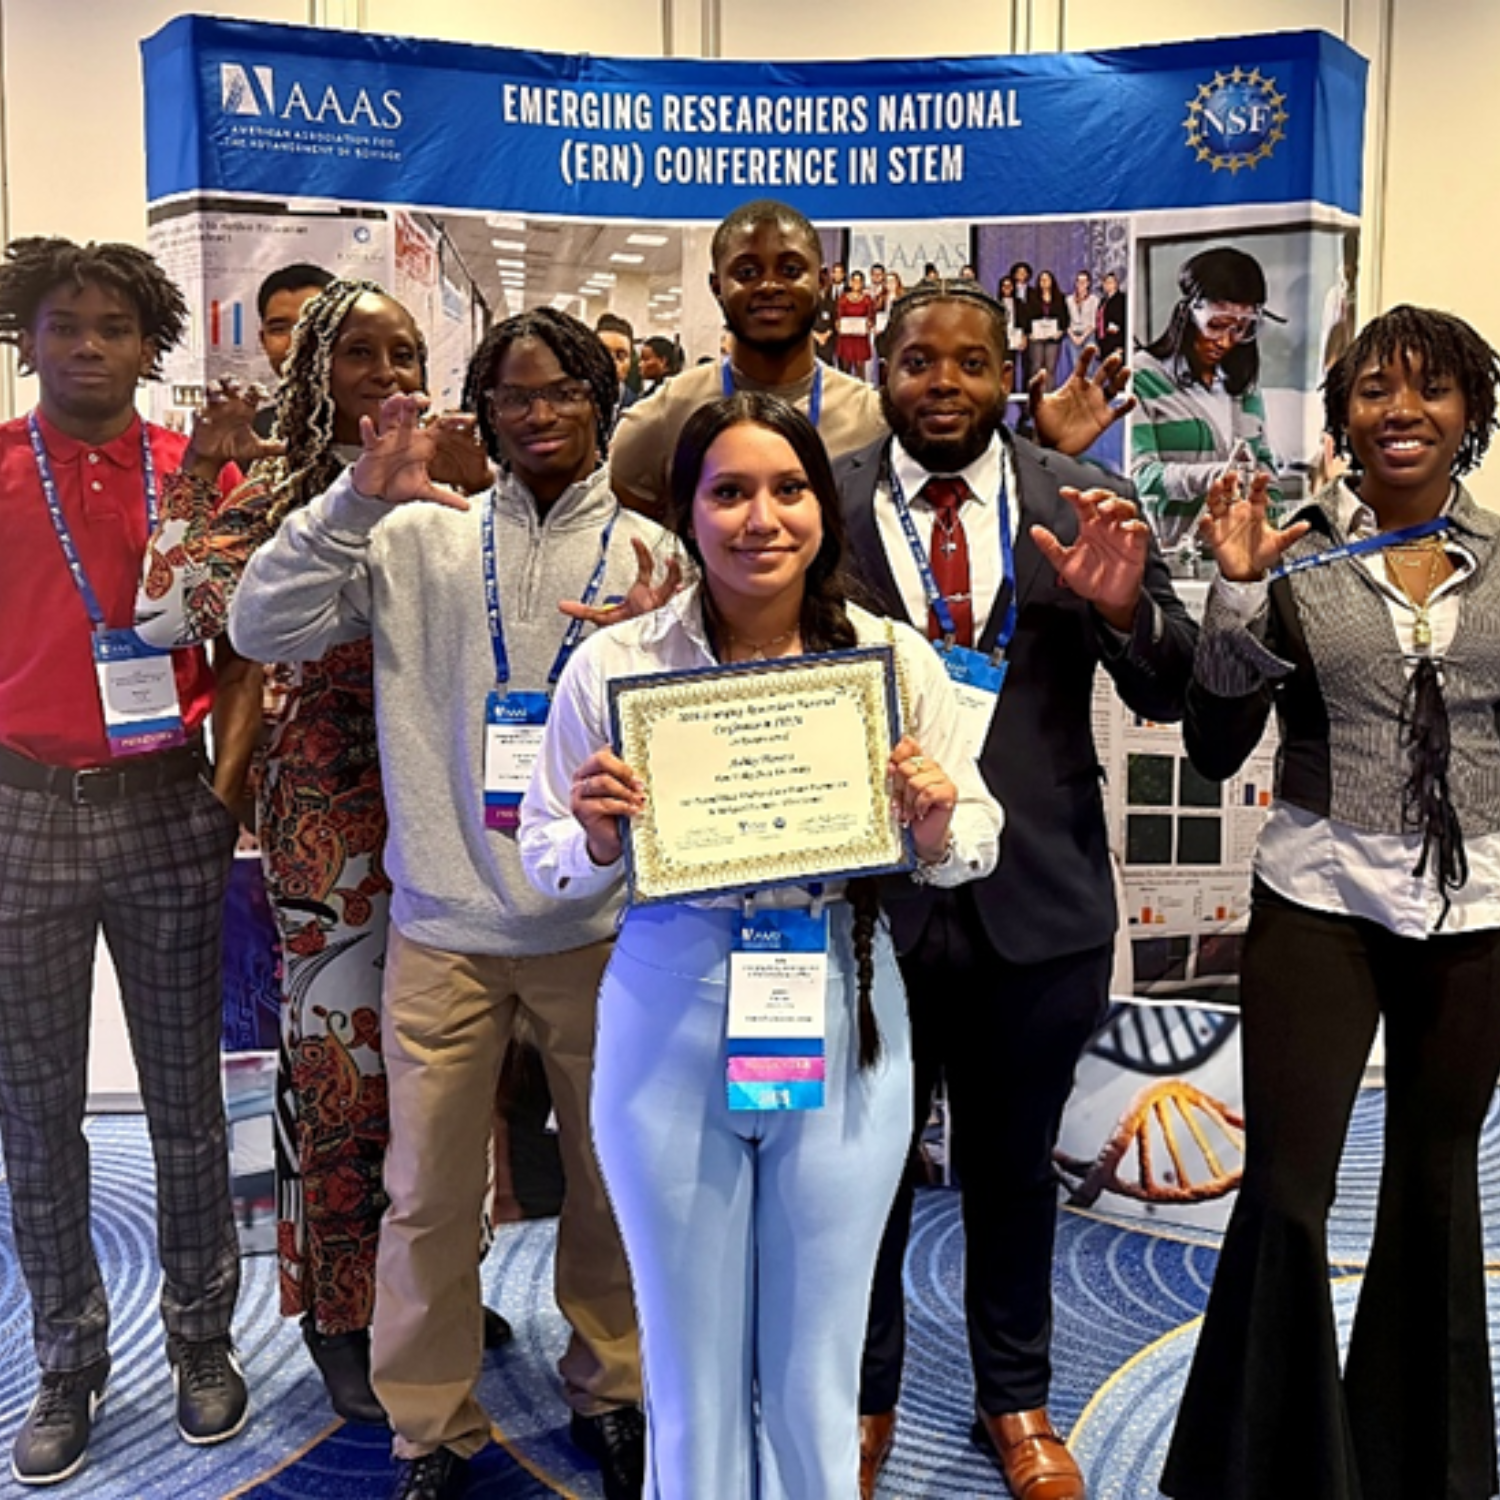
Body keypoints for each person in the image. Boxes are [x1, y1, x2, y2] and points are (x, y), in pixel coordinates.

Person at [519, 390, 1002, 1499]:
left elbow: (976, 835)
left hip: (842, 1000)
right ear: (685, 513)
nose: (761, 518)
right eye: (728, 492)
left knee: (815, 1369)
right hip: (666, 1010)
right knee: (685, 1373)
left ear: (822, 507)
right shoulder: (616, 669)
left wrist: (934, 824)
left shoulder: (889, 659)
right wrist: (595, 837)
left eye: (787, 489)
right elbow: (547, 854)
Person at [230, 308, 667, 1500]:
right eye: (514, 394)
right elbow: (255, 623)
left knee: (605, 1177)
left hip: (597, 928)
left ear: (600, 402)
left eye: (564, 390)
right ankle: (430, 1425)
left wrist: (657, 650)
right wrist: (353, 502)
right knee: (422, 1195)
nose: (539, 413)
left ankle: (613, 1386)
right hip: (442, 927)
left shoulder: (649, 554)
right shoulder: (413, 536)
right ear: (481, 409)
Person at [835, 280, 1194, 1500]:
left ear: (1006, 378)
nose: (945, 384)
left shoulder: (1081, 500)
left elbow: (1168, 687)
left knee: (1013, 1166)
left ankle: (1019, 1400)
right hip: (868, 901)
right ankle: (865, 1396)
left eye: (972, 363)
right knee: (863, 1172)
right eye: (919, 361)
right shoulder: (815, 503)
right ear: (882, 371)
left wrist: (1125, 606)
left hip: (1035, 899)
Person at [134, 278, 493, 1429]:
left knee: (445, 1071)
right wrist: (205, 471)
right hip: (331, 820)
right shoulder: (289, 491)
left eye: (405, 354)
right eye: (360, 355)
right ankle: (339, 1313)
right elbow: (162, 611)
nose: (389, 376)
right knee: (343, 1076)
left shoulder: (458, 487)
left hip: (447, 805)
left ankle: (428, 1290)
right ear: (314, 372)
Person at [1160, 305, 1500, 1500]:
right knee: (1291, 1193)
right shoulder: (1294, 567)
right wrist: (1237, 600)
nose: (1401, 412)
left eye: (1432, 391)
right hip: (1317, 897)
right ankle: (1265, 1468)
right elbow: (1211, 746)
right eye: (1374, 393)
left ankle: (1425, 1468)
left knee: (1435, 1175)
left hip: (1478, 916)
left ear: (1471, 416)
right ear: (1343, 420)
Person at [0, 235, 249, 1485]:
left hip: (165, 803)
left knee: (184, 1098)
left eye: (112, 327)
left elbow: (254, 642)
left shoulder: (197, 474)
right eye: (62, 324)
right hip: (21, 811)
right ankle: (65, 1353)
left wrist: (228, 788)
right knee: (34, 1111)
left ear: (151, 344)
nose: (87, 347)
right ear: (27, 337)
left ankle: (202, 1337)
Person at [609, 199, 1135, 524]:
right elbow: (627, 520)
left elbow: (963, 485)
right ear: (715, 287)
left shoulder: (874, 414)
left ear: (822, 283)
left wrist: (1044, 449)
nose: (769, 285)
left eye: (790, 269)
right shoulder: (666, 413)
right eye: (747, 271)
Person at [1131, 245, 1282, 549]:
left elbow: (1265, 464)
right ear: (1188, 313)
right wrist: (1216, 476)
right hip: (1173, 558)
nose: (1226, 341)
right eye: (1216, 325)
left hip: (1241, 557)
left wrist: (1271, 512)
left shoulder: (1243, 386)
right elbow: (1140, 476)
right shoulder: (1143, 378)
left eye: (1241, 329)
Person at [252, 262, 334, 437]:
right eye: (279, 329)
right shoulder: (248, 435)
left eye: (314, 325)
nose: (297, 341)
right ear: (263, 340)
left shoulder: (389, 427)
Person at [596, 312, 639, 426]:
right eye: (603, 353)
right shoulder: (574, 404)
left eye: (620, 356)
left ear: (630, 361)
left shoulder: (639, 408)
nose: (611, 362)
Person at [1024, 268, 1065, 389]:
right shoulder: (1032, 297)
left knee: (1050, 368)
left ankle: (1049, 398)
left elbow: (1064, 317)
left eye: (1047, 279)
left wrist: (1060, 331)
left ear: (1052, 281)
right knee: (1036, 367)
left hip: (1053, 338)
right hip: (1036, 338)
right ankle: (1035, 397)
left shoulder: (1059, 298)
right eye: (1042, 279)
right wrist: (1028, 333)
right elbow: (1027, 316)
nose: (1044, 282)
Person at [836, 269, 876, 377]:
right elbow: (838, 317)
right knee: (845, 370)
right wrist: (838, 325)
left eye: (859, 281)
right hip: (846, 339)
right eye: (854, 281)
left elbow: (872, 318)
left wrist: (869, 324)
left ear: (862, 283)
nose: (856, 284)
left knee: (860, 370)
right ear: (850, 282)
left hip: (860, 339)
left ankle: (860, 393)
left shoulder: (867, 299)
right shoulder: (843, 299)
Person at [1063, 269, 1099, 383]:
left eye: (1084, 281)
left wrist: (1083, 337)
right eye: (1078, 281)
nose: (1081, 284)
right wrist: (1073, 336)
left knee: (1089, 365)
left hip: (1088, 334)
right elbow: (1065, 321)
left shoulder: (1094, 300)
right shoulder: (1068, 300)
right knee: (1076, 365)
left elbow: (1094, 322)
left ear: (1088, 283)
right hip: (1072, 335)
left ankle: (1089, 391)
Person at [1095, 270, 1126, 363]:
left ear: (1116, 284)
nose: (1107, 285)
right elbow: (1099, 322)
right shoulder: (1103, 301)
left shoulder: (1122, 299)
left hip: (1116, 344)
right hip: (1104, 342)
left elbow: (1125, 322)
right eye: (1105, 282)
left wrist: (1122, 345)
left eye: (1110, 282)